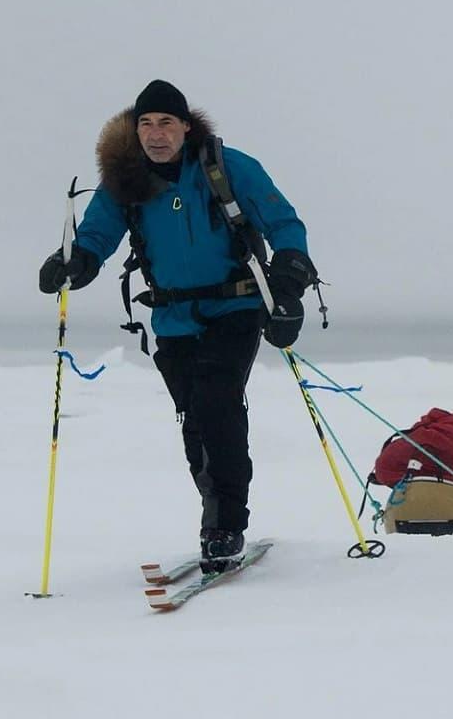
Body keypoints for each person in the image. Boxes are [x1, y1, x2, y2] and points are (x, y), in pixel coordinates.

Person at [36, 79, 315, 567]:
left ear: (186, 126)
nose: (155, 134)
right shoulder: (125, 180)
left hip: (235, 307)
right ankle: (217, 514)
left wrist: (289, 282)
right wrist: (74, 264)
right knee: (194, 420)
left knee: (217, 405)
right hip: (173, 317)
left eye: (166, 122)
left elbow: (284, 223)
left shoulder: (226, 169)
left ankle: (225, 527)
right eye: (145, 123)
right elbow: (98, 236)